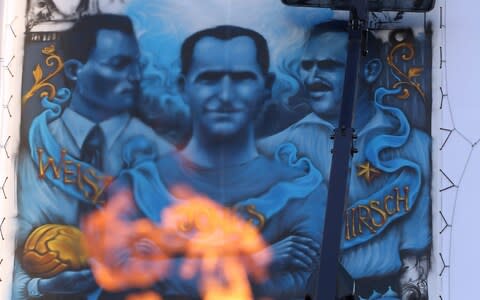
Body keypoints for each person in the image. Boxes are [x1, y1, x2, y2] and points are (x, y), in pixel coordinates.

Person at [112, 25, 328, 300]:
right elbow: (119, 278)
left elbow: (296, 287)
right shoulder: (133, 189)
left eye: (242, 78)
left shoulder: (303, 190)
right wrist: (257, 261)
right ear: (183, 86)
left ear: (266, 86)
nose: (225, 95)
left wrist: (162, 266)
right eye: (209, 78)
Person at [258, 21, 431, 299]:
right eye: (307, 65)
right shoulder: (278, 148)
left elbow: (415, 255)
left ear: (370, 70)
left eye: (328, 66)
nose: (312, 76)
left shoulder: (414, 146)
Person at [14, 14, 172, 300]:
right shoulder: (36, 151)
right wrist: (40, 288)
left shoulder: (163, 154)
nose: (135, 77)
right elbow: (10, 259)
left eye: (136, 64)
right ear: (75, 70)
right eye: (119, 65)